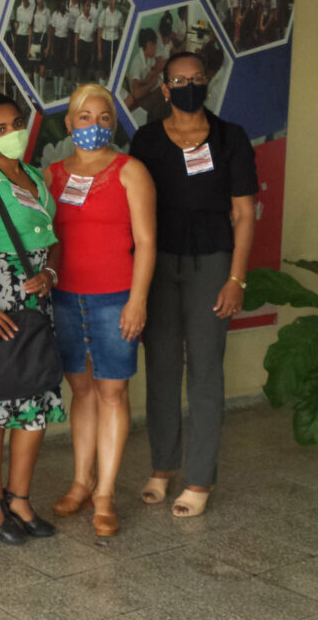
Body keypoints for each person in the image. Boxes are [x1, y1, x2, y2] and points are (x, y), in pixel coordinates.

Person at [130, 51, 257, 518]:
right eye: (178, 80)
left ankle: (200, 477)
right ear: (164, 89)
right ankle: (162, 468)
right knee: (161, 367)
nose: (188, 86)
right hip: (158, 263)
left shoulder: (230, 138)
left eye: (196, 78)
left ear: (207, 83)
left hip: (212, 262)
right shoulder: (146, 140)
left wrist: (236, 278)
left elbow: (244, 213)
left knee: (205, 369)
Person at [45, 84, 156, 537]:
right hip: (66, 298)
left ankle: (105, 493)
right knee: (82, 391)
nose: (94, 126)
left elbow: (147, 242)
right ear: (69, 124)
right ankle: (80, 481)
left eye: (104, 117)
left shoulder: (131, 171)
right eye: (84, 117)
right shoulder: (51, 175)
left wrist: (137, 299)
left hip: (116, 299)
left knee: (112, 392)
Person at [0, 95, 66, 546]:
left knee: (36, 399)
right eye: (0, 129)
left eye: (17, 123)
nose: (12, 133)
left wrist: (50, 273)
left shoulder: (37, 178)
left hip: (38, 299)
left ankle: (20, 498)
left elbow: (52, 240)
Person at [97, 0, 124, 81]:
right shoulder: (103, 13)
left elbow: (121, 32)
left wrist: (120, 47)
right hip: (105, 43)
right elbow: (99, 32)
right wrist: (100, 50)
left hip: (115, 43)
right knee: (103, 71)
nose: (114, 0)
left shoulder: (119, 15)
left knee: (112, 71)